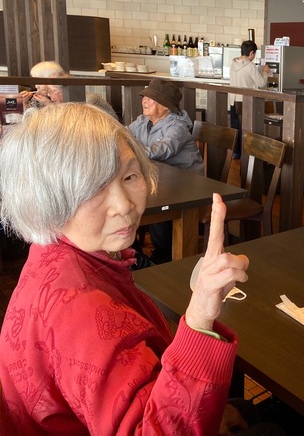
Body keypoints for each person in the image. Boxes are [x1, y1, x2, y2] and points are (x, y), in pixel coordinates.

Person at [0, 103, 248, 434]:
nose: (125, 205)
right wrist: (201, 313)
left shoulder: (56, 252)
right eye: (92, 188)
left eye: (130, 176)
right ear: (46, 198)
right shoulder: (80, 309)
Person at [128, 79, 204, 264]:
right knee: (133, 198)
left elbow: (162, 150)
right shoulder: (143, 121)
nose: (144, 101)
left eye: (151, 98)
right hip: (160, 180)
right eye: (144, 97)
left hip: (185, 185)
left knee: (155, 204)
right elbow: (123, 134)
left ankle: (163, 256)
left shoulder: (177, 126)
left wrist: (129, 152)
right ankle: (134, 252)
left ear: (165, 106)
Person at [18, 60, 118, 119]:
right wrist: (24, 105)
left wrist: (51, 106)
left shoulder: (86, 100)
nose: (36, 86)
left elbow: (71, 123)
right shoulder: (43, 99)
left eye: (39, 80)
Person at [229, 40, 270, 157]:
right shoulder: (250, 66)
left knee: (235, 127)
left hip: (233, 100)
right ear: (251, 53)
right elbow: (261, 83)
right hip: (245, 102)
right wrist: (265, 72)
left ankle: (236, 152)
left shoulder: (233, 63)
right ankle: (246, 154)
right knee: (246, 128)